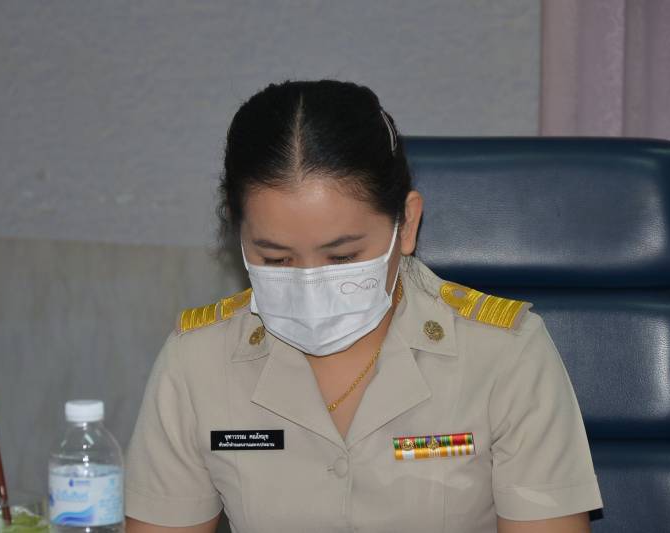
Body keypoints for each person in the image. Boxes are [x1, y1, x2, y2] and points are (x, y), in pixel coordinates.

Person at [124, 80, 603, 533]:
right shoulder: (198, 363)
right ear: (239, 234)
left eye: (342, 257)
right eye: (277, 259)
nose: (309, 284)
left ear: (406, 224)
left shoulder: (504, 355)